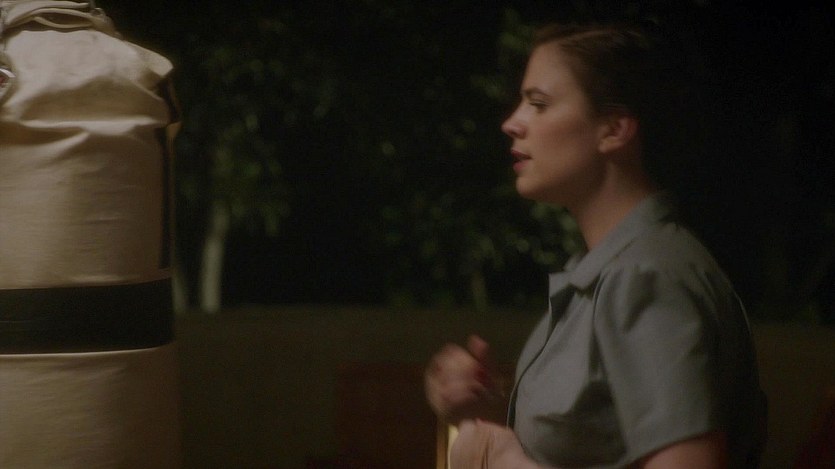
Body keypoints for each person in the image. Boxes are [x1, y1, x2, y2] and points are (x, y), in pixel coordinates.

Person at [425, 21, 767, 468]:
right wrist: (486, 414)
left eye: (539, 104)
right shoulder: (608, 273)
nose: (512, 123)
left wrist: (501, 460)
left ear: (614, 129)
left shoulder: (645, 277)